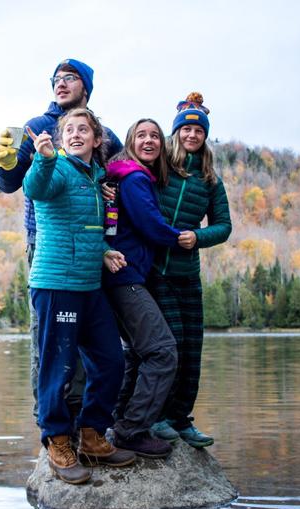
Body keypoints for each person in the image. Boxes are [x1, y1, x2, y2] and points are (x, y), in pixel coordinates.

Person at [0, 59, 122, 417]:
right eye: (56, 79)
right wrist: (5, 163)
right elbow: (10, 184)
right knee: (49, 341)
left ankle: (85, 419)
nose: (60, 83)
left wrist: (113, 190)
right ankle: (49, 423)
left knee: (89, 343)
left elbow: (121, 175)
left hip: (93, 247)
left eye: (70, 77)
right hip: (47, 245)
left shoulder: (102, 132)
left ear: (86, 87)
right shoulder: (34, 127)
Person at [23, 108, 135, 484]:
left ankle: (91, 436)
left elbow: (88, 226)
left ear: (96, 139)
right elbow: (35, 189)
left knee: (111, 360)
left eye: (82, 129)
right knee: (59, 365)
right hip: (57, 285)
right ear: (60, 139)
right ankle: (57, 440)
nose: (75, 134)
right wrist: (43, 157)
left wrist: (103, 249)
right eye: (68, 130)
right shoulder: (55, 168)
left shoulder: (96, 178)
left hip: (89, 285)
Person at [148, 93, 232, 448]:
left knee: (192, 349)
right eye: (187, 128)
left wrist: (196, 237)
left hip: (187, 273)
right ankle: (158, 417)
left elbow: (224, 226)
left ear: (205, 135)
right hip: (156, 270)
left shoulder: (211, 180)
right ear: (177, 132)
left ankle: (182, 420)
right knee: (170, 346)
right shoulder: (162, 166)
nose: (192, 135)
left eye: (198, 130)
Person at [101, 118, 182, 459]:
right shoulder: (134, 178)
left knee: (137, 351)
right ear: (130, 142)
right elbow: (151, 225)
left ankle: (121, 420)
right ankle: (131, 431)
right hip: (124, 277)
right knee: (162, 351)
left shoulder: (126, 177)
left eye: (155, 136)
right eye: (141, 135)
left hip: (120, 276)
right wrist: (182, 238)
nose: (149, 141)